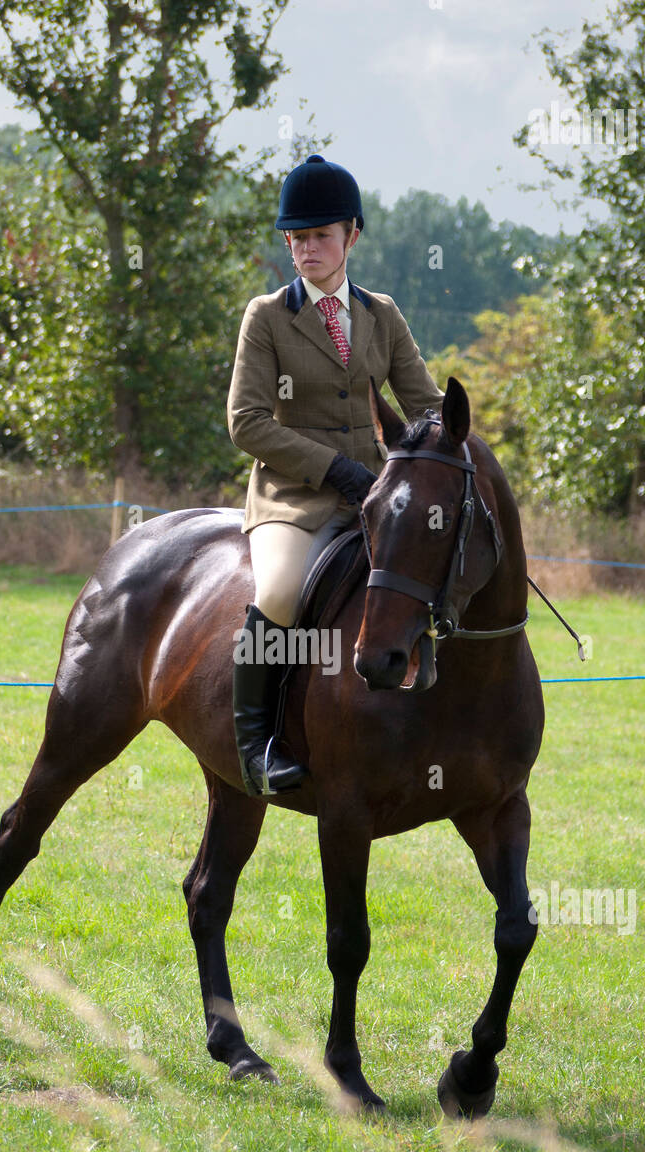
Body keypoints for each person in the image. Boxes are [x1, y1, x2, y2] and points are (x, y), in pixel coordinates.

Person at [227, 153, 445, 796]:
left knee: (431, 573)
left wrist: (428, 460)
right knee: (280, 591)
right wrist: (335, 469)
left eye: (320, 235)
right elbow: (246, 421)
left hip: (375, 496)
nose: (306, 249)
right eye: (296, 238)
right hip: (292, 497)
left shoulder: (381, 314)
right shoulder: (266, 317)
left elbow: (427, 405)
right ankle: (255, 745)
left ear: (351, 235)